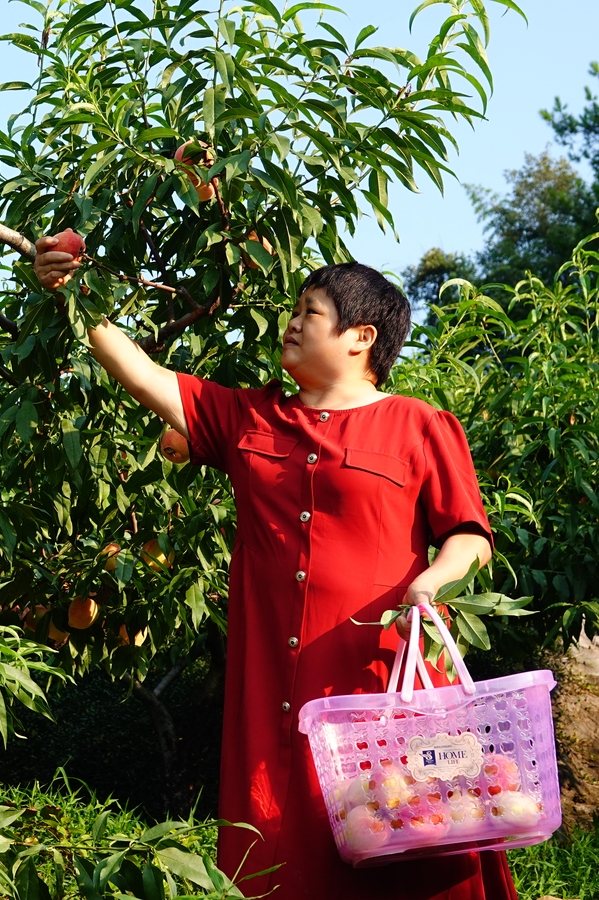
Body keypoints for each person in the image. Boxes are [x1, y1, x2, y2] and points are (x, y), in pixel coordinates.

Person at [33, 238, 516, 900]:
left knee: (411, 843)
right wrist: (73, 292)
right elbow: (142, 373)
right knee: (280, 853)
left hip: (382, 684)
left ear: (360, 337)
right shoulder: (251, 417)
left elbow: (469, 536)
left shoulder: (418, 425)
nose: (291, 322)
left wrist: (431, 582)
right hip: (275, 700)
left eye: (310, 311)